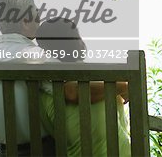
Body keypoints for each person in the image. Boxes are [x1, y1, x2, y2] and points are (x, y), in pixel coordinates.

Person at [0, 0, 56, 157]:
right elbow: (70, 91)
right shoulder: (39, 57)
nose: (39, 22)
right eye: (37, 16)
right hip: (41, 150)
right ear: (25, 21)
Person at [36, 17, 131, 157]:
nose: (81, 42)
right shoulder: (52, 72)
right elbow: (73, 92)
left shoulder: (74, 71)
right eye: (76, 36)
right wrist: (122, 86)